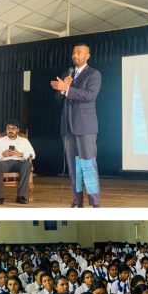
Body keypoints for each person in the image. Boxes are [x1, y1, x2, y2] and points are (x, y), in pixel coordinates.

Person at [51, 43, 102, 208]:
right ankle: (77, 201)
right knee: (74, 168)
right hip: (67, 127)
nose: (75, 55)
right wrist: (61, 90)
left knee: (88, 166)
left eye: (79, 53)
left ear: (87, 56)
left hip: (85, 127)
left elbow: (90, 96)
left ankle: (95, 203)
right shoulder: (68, 74)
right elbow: (58, 100)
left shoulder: (94, 74)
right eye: (74, 52)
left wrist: (67, 89)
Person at [0, 119, 35, 204]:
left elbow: (32, 154)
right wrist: (2, 154)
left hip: (19, 163)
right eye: (8, 128)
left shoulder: (24, 141)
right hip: (4, 163)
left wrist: (20, 154)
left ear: (17, 130)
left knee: (27, 164)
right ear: (6, 129)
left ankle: (21, 197)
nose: (10, 130)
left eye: (13, 128)